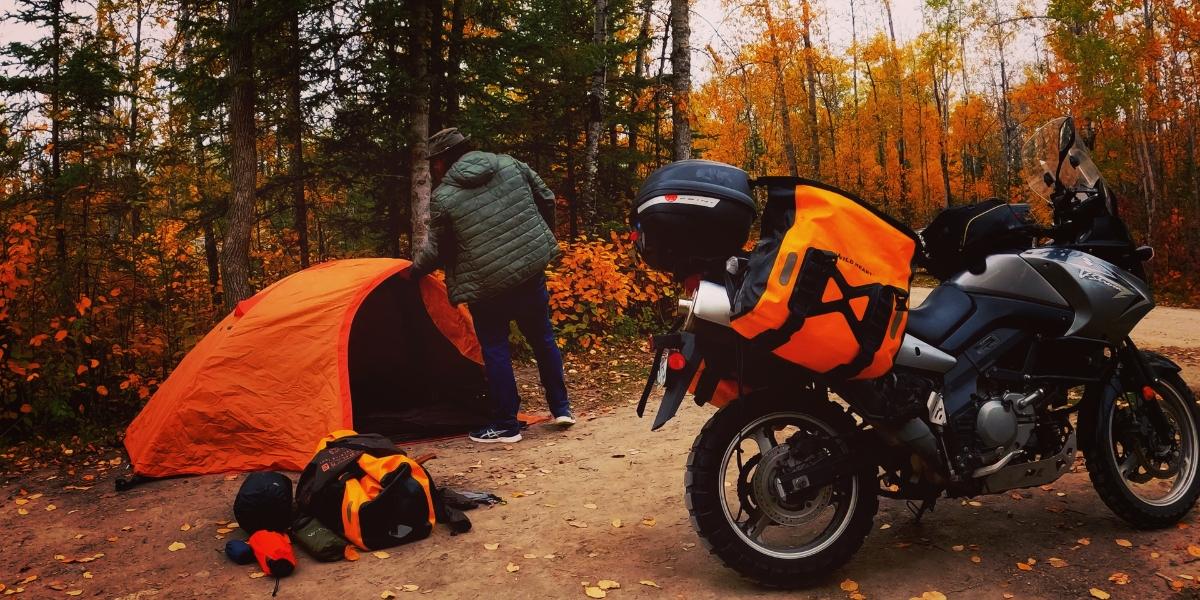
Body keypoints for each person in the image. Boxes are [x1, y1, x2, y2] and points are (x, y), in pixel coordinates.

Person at [410, 127, 574, 443]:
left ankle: (506, 425)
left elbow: (437, 249)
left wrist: (414, 271)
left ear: (443, 160)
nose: (433, 168)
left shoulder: (445, 196)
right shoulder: (510, 164)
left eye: (434, 162)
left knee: (496, 349)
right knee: (542, 338)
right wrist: (536, 241)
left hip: (486, 286)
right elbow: (547, 198)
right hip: (529, 273)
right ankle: (561, 408)